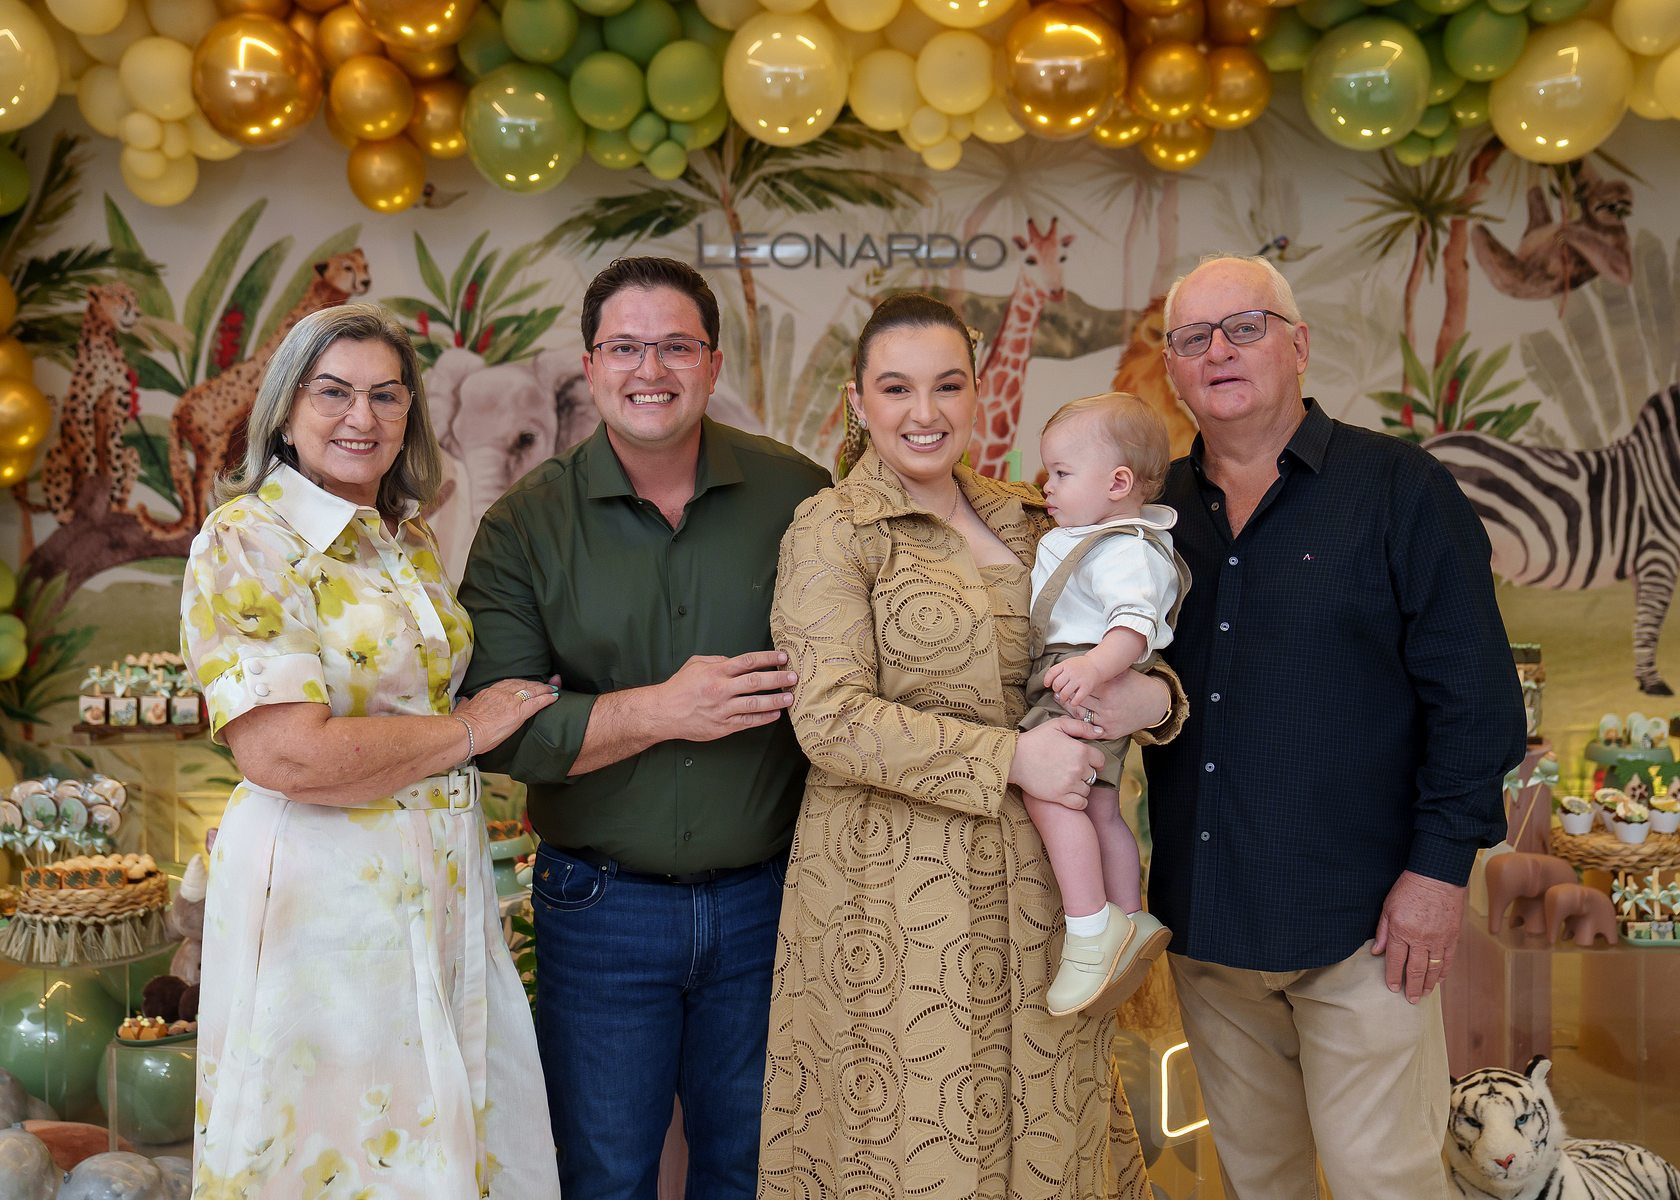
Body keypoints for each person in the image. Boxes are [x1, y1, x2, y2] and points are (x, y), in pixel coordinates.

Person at [761, 293, 1186, 1200]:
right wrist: (1013, 760)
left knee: (1051, 1132)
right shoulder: (832, 530)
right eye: (897, 389)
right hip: (891, 895)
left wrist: (1151, 697)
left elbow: (1118, 641)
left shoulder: (1036, 518)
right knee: (914, 1143)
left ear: (976, 393)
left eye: (948, 385)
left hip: (1049, 895)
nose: (926, 412)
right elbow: (830, 719)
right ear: (857, 401)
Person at [1140, 254, 1527, 1199]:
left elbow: (1477, 701)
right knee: (1259, 1182)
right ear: (1173, 367)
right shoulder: (1151, 515)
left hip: (1367, 926)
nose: (1219, 352)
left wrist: (1439, 875)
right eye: (1194, 338)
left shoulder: (1399, 489)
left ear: (1299, 345)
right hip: (1210, 922)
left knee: (1380, 1180)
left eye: (1246, 328)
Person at [456, 257, 830, 1200]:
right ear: (589, 367)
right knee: (605, 1176)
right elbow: (502, 731)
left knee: (755, 1172)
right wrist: (664, 710)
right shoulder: (522, 527)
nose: (649, 369)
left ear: (712, 364)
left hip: (770, 903)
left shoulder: (800, 496)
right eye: (624, 347)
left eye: (675, 347)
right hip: (600, 911)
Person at [178, 303, 563, 1198]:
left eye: (387, 396)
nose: (363, 417)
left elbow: (413, 696)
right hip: (325, 896)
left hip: (441, 880)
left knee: (448, 1134)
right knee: (340, 1147)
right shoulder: (246, 541)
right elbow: (287, 755)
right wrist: (468, 731)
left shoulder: (405, 536)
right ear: (285, 410)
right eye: (334, 393)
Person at [1021, 392, 1189, 1016]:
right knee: (1099, 805)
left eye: (1062, 473)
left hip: (1080, 675)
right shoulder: (1099, 536)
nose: (1047, 486)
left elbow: (1134, 626)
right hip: (1085, 673)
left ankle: (1090, 929)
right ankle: (1129, 916)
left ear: (1118, 483)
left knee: (1051, 794)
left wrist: (1092, 667)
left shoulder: (1122, 547)